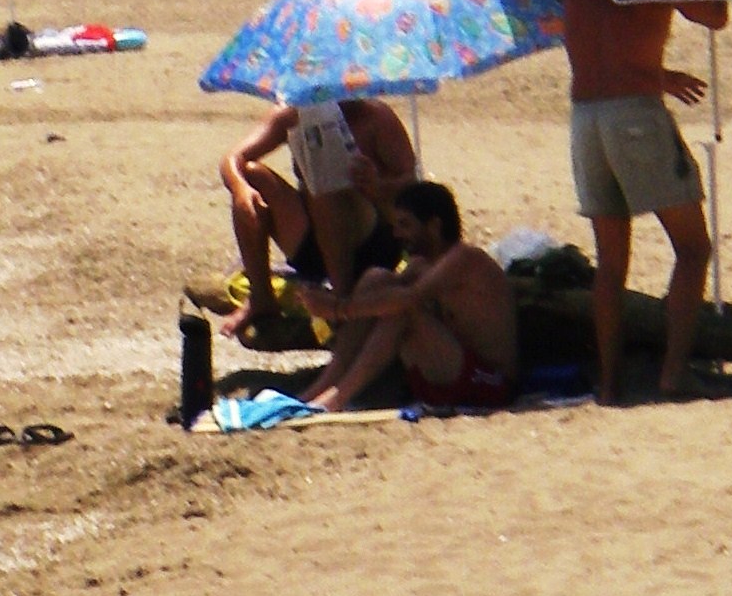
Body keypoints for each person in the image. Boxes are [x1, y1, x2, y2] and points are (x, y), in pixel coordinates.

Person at [562, 0, 725, 402]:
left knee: (611, 262)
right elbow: (714, 15)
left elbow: (605, 46)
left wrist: (658, 75)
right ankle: (674, 371)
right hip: (633, 113)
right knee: (692, 247)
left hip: (585, 116)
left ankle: (610, 384)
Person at [298, 181, 518, 413]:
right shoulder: (422, 264)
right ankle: (323, 385)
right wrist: (323, 301)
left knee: (404, 309)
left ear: (433, 226)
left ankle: (338, 397)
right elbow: (383, 295)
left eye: (405, 225)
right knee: (376, 278)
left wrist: (337, 308)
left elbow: (407, 300)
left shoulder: (465, 259)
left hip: (489, 383)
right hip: (444, 373)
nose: (397, 233)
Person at [216, 98, 418, 341]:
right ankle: (262, 297)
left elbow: (413, 186)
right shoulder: (290, 115)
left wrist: (377, 186)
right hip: (313, 245)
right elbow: (232, 159)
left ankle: (342, 300)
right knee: (251, 174)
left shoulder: (375, 116)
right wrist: (241, 189)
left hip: (373, 245)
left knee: (325, 183)